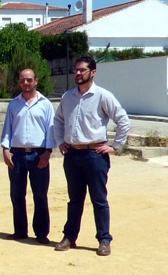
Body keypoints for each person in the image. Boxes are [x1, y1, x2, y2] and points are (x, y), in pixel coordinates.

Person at [53, 56, 130, 256]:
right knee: (74, 199)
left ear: (93, 72)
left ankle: (104, 240)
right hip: (72, 155)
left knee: (99, 199)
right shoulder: (67, 97)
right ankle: (70, 237)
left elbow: (123, 120)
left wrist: (115, 146)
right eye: (76, 70)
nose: (78, 73)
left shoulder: (103, 96)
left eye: (82, 70)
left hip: (95, 155)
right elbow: (58, 120)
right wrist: (60, 141)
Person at [0, 68, 56, 244]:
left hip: (39, 155)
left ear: (36, 81)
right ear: (19, 82)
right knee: (17, 195)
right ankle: (20, 231)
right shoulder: (13, 104)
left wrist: (47, 153)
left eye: (29, 80)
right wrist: (5, 149)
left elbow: (51, 131)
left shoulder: (45, 104)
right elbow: (7, 129)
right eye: (23, 80)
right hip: (16, 155)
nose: (26, 83)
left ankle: (41, 233)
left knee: (40, 195)